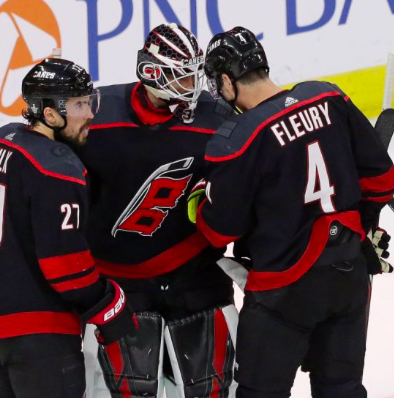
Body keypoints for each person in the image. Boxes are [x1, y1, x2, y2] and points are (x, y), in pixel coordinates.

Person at [196, 26, 394, 398]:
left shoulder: (236, 139)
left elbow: (219, 232)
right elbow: (383, 179)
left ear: (226, 79)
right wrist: (360, 229)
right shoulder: (329, 96)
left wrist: (200, 202)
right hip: (349, 276)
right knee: (342, 389)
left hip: (283, 292)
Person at [0, 58, 136, 398]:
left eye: (88, 101)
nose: (90, 113)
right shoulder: (59, 168)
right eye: (79, 104)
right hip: (36, 337)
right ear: (50, 114)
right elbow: (67, 271)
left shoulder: (1, 141)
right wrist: (110, 303)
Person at [77, 23, 238, 398]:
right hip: (116, 282)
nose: (193, 88)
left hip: (195, 273)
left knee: (212, 388)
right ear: (151, 72)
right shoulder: (95, 118)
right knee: (126, 390)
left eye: (193, 75)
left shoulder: (216, 119)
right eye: (181, 78)